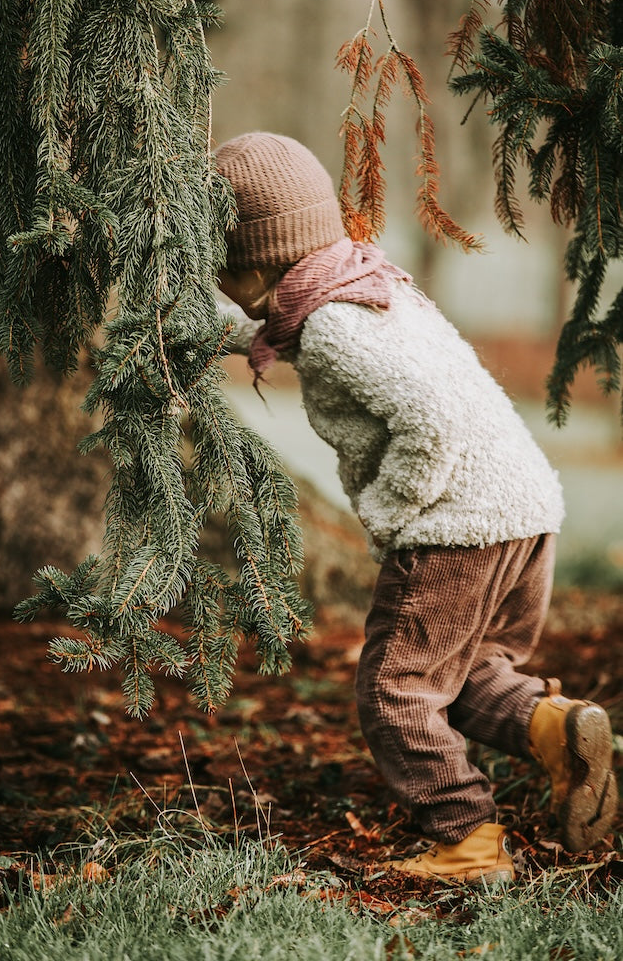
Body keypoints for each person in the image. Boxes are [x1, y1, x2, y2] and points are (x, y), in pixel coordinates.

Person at [214, 131, 618, 884]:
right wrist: (205, 338)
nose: (220, 287)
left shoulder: (333, 325)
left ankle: (466, 839)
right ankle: (554, 725)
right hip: (524, 508)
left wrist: (397, 513)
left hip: (455, 523)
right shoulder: (361, 285)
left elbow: (428, 419)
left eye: (224, 273)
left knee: (393, 689)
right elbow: (284, 332)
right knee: (464, 675)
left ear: (258, 261)